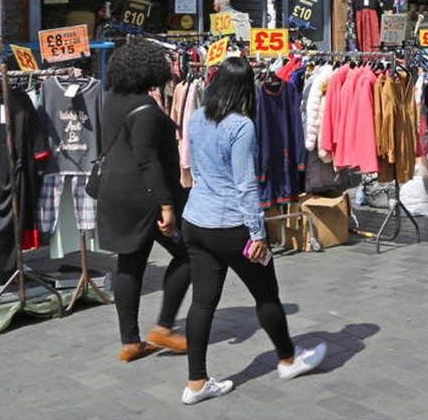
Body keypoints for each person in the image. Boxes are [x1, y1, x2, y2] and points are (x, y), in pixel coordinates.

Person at [180, 57, 326, 404]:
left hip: (196, 220)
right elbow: (244, 184)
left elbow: (196, 165)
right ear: (246, 89)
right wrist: (257, 233)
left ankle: (196, 382)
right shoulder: (241, 125)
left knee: (202, 302)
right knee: (266, 294)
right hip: (232, 225)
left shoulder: (197, 117)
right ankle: (287, 358)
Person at [96, 38, 190, 363]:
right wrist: (166, 207)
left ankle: (130, 342)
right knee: (188, 254)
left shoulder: (112, 99)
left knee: (130, 261)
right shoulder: (145, 110)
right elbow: (147, 161)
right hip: (143, 196)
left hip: (114, 192)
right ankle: (164, 326)